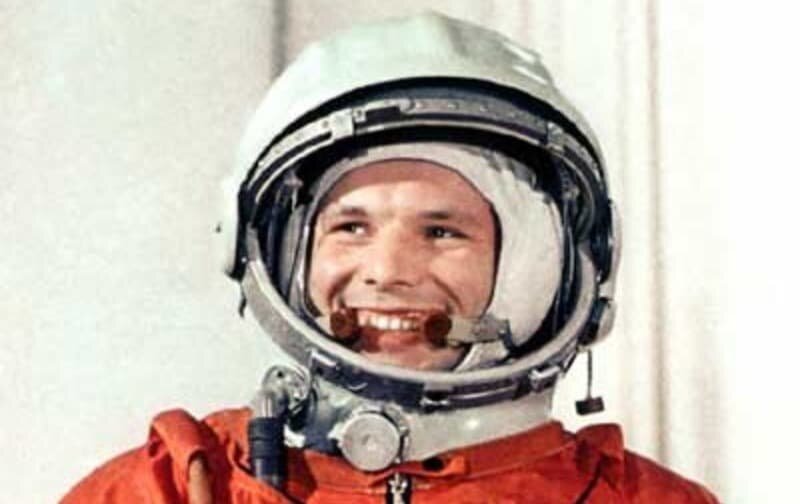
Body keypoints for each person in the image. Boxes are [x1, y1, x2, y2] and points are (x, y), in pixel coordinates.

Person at [62, 12, 718, 503]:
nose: (388, 271)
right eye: (351, 227)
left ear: (533, 271)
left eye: (442, 232)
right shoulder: (176, 487)